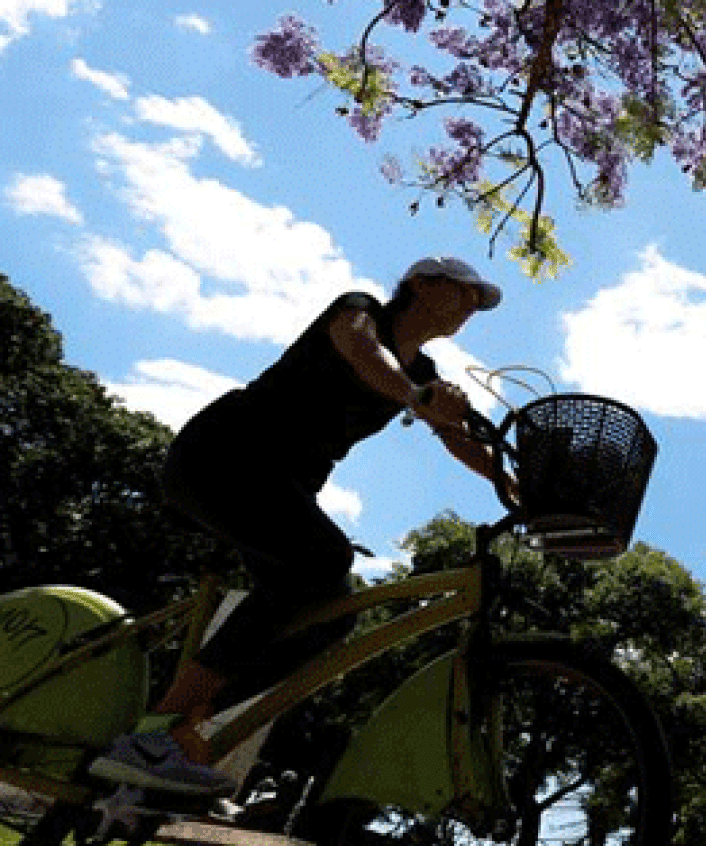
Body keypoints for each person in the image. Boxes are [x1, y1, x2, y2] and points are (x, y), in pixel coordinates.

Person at [89, 256, 510, 797]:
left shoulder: (422, 374)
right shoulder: (360, 312)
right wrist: (414, 398)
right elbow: (363, 351)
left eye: (479, 303)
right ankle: (151, 736)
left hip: (277, 491)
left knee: (330, 616)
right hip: (222, 457)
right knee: (325, 561)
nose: (472, 308)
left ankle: (172, 729)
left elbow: (459, 438)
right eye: (466, 293)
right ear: (421, 285)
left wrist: (512, 484)